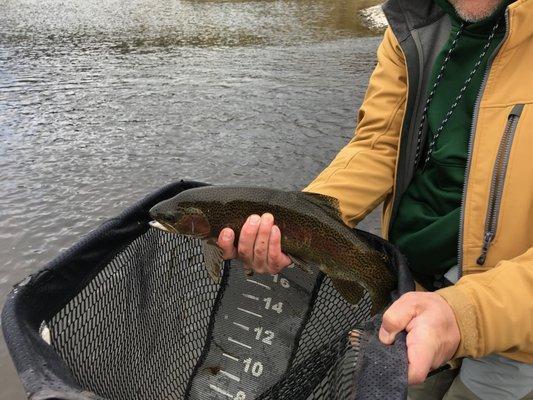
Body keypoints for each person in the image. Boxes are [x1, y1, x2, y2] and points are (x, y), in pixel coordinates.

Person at [217, 0, 533, 398]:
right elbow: (379, 144)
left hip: (512, 320)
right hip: (410, 286)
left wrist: (465, 316)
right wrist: (302, 220)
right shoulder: (414, 19)